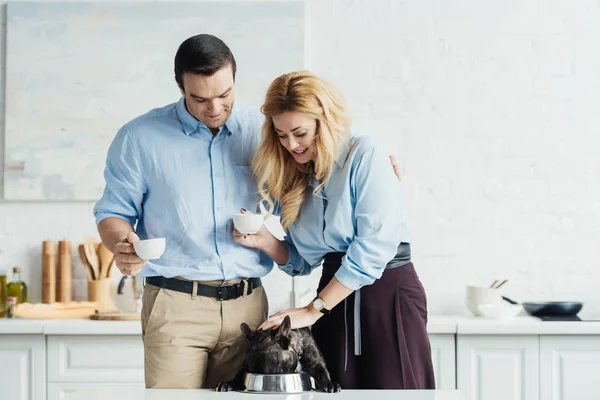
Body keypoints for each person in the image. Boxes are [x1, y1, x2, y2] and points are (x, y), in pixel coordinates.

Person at [233, 70, 436, 389]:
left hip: (387, 294)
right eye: (281, 134)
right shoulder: (300, 173)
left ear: (324, 121)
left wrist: (312, 310)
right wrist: (268, 243)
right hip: (332, 297)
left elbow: (372, 251)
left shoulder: (364, 155)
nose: (291, 144)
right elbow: (304, 260)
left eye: (300, 132)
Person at [93, 34, 271, 389]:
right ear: (179, 86)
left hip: (249, 307)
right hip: (175, 306)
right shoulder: (139, 137)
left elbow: (304, 183)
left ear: (235, 77)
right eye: (200, 98)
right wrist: (121, 244)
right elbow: (112, 213)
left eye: (225, 95)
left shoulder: (263, 131)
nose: (215, 108)